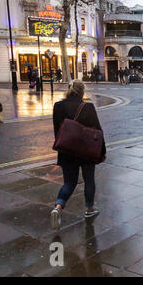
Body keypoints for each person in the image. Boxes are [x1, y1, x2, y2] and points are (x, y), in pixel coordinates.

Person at [50, 80, 106, 230]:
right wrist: (102, 150)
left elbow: (57, 131)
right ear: (82, 92)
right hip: (86, 151)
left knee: (69, 182)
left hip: (66, 151)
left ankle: (58, 207)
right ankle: (89, 209)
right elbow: (97, 130)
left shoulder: (58, 106)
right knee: (89, 180)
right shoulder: (88, 107)